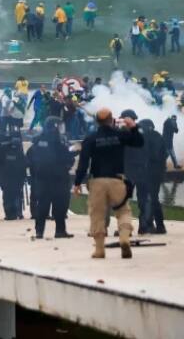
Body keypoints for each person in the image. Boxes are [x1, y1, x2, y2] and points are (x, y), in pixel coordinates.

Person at [73, 108, 143, 259]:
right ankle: (124, 238)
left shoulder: (90, 139)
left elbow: (83, 163)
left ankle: (99, 249)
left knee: (97, 214)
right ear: (112, 120)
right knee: (123, 211)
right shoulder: (120, 135)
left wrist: (77, 183)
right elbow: (139, 142)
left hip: (97, 181)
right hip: (117, 179)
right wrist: (133, 126)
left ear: (97, 122)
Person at [26, 117, 76, 238]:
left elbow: (29, 159)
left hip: (41, 179)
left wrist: (36, 172)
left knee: (42, 205)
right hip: (59, 178)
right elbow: (68, 156)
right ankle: (60, 231)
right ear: (55, 126)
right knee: (60, 205)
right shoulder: (60, 141)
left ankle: (39, 231)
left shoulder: (37, 141)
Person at [140, 119, 168, 235]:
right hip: (157, 173)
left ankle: (150, 225)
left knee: (148, 199)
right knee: (153, 199)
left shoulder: (147, 138)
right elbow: (165, 155)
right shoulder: (160, 137)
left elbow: (150, 155)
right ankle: (158, 226)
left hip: (149, 173)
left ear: (148, 127)